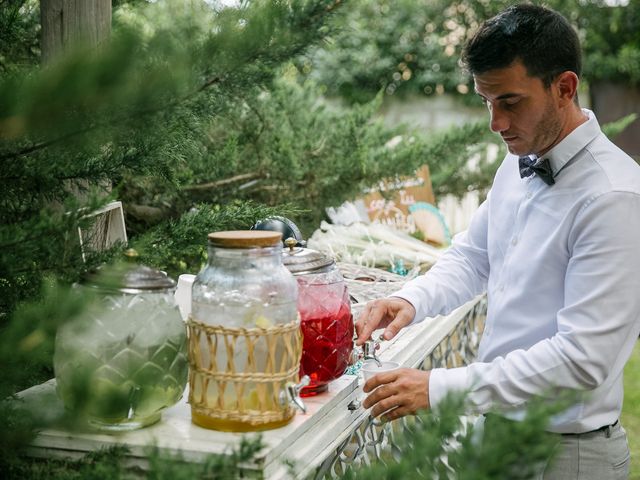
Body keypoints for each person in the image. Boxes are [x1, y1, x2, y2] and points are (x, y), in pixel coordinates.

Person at [355, 4, 640, 479]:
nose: (496, 123)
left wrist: (439, 389)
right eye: (487, 102)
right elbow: (474, 256)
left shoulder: (615, 196)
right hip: (496, 437)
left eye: (509, 101)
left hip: (566, 456)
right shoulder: (519, 157)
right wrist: (409, 299)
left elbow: (582, 361)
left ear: (564, 87)